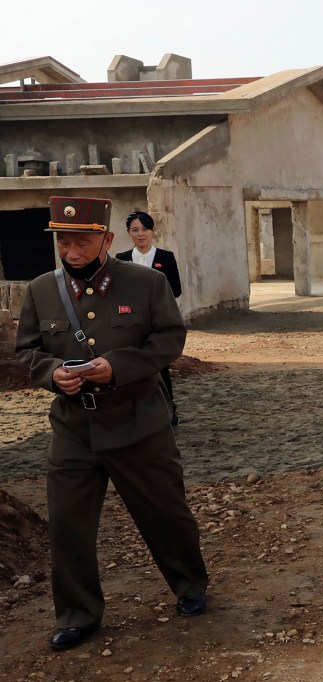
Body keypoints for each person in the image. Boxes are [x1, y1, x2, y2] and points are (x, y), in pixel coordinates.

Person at [15, 196, 208, 651]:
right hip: (73, 428)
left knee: (165, 513)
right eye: (63, 241)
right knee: (67, 525)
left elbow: (169, 339)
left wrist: (117, 366)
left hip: (138, 422)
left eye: (81, 240)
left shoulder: (146, 283)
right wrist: (51, 374)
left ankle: (190, 585)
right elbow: (27, 351)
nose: (71, 251)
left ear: (106, 239)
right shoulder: (42, 289)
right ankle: (78, 613)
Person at [115, 210, 183, 426]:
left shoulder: (165, 257)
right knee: (132, 367)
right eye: (135, 230)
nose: (141, 234)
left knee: (160, 366)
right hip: (131, 323)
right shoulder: (122, 260)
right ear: (129, 233)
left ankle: (168, 410)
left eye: (145, 229)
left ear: (153, 231)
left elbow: (176, 289)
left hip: (158, 321)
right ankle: (136, 413)